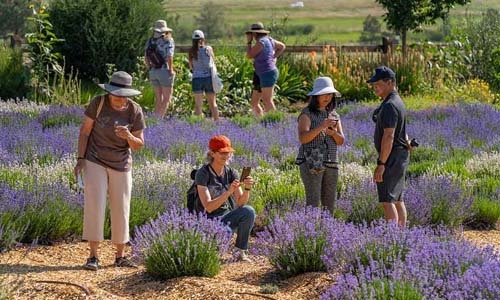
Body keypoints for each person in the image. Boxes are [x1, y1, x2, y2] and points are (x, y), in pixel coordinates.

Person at [74, 71, 146, 270]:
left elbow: (139, 144)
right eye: (115, 93)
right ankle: (93, 256)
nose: (118, 97)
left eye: (122, 94)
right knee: (95, 204)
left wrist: (128, 136)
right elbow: (85, 132)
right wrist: (80, 159)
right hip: (94, 158)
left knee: (121, 207)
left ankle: (120, 256)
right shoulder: (97, 103)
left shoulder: (135, 110)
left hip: (122, 162)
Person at [195, 135, 256, 262]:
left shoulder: (231, 172)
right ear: (212, 153)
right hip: (208, 219)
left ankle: (240, 252)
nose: (226, 156)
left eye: (228, 153)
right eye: (222, 153)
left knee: (248, 211)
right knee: (225, 232)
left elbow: (240, 203)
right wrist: (228, 192)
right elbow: (209, 207)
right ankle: (210, 253)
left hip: (225, 216)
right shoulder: (203, 173)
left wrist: (247, 189)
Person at [367, 66, 413, 227]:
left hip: (391, 157)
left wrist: (381, 164)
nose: (375, 87)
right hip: (399, 155)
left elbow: (389, 136)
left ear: (389, 83)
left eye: (377, 84)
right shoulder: (397, 102)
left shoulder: (389, 106)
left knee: (387, 200)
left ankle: (392, 239)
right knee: (397, 198)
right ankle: (400, 237)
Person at [296, 77, 345, 214]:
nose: (327, 97)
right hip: (312, 161)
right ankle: (309, 232)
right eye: (324, 94)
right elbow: (303, 138)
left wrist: (333, 133)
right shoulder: (307, 114)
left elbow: (341, 141)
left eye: (330, 94)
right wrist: (322, 127)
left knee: (329, 203)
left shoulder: (334, 115)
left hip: (331, 162)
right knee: (313, 201)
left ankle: (326, 232)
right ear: (316, 96)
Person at [245, 22, 286, 118]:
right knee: (254, 102)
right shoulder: (270, 40)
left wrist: (249, 42)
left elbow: (249, 55)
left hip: (266, 73)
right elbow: (282, 46)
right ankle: (261, 121)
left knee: (267, 100)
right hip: (260, 73)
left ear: (255, 34)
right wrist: (274, 57)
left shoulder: (261, 43)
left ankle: (276, 122)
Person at [144, 20, 175, 118]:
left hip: (153, 71)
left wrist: (150, 68)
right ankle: (158, 121)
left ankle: (154, 119)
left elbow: (146, 57)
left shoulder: (150, 41)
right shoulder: (168, 40)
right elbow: (170, 56)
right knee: (167, 98)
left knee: (158, 98)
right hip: (164, 70)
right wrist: (171, 70)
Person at [188, 30, 220, 121]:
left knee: (198, 105)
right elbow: (213, 61)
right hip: (208, 78)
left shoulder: (191, 51)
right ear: (203, 39)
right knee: (213, 103)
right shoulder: (208, 49)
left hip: (197, 78)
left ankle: (199, 124)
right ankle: (217, 122)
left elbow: (191, 66)